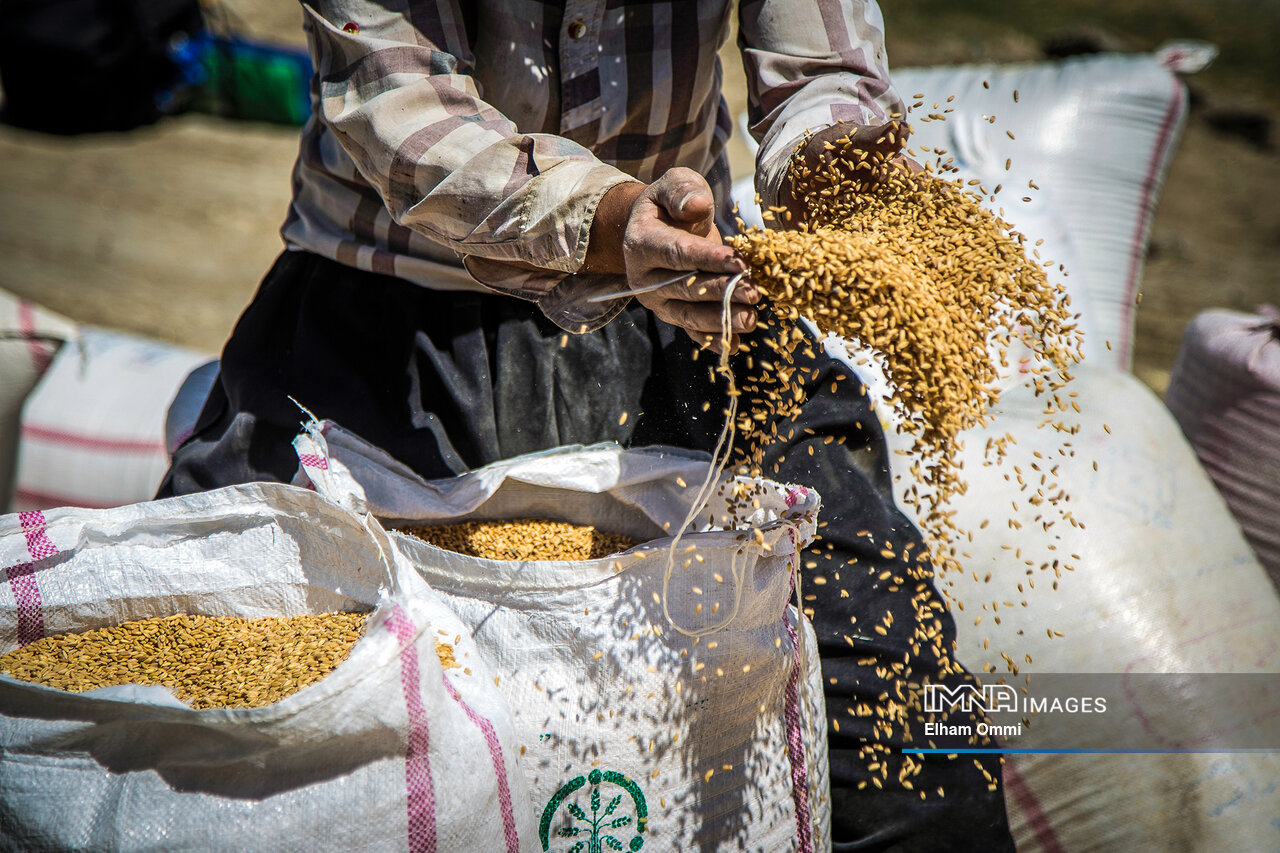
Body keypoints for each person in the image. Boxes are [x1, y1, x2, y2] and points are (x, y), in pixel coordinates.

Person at [160, 0, 1014, 848]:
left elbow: (822, 67)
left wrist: (836, 169)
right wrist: (610, 223)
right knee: (221, 711)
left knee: (901, 727)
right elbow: (401, 103)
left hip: (693, 314)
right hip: (387, 327)